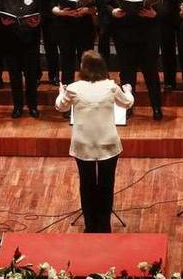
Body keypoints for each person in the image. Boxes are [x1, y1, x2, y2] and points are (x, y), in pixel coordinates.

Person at [54, 50, 134, 233]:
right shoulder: (111, 86)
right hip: (108, 143)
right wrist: (128, 91)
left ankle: (90, 226)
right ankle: (104, 225)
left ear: (83, 68)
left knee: (87, 184)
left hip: (83, 145)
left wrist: (61, 92)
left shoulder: (74, 88)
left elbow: (60, 106)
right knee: (107, 184)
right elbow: (127, 103)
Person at [107, 0, 165, 120]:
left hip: (148, 36)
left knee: (151, 73)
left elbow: (164, 6)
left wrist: (154, 14)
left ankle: (156, 107)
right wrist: (113, 11)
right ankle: (127, 107)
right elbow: (106, 3)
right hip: (124, 36)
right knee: (126, 74)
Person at [0, 0, 42, 118]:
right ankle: (17, 107)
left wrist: (35, 22)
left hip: (30, 42)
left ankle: (33, 106)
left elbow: (39, 15)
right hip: (11, 43)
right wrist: (4, 22)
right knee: (15, 77)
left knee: (31, 77)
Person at [52, 0, 97, 86]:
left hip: (85, 25)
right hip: (65, 26)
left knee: (86, 61)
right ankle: (67, 91)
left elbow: (96, 6)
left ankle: (88, 90)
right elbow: (53, 7)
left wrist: (87, 10)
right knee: (66, 60)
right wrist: (62, 12)